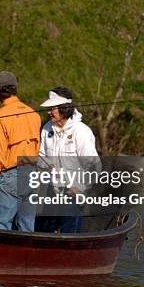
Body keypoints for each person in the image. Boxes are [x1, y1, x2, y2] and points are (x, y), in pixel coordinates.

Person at [0, 71, 41, 232]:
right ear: (15, 89)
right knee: (27, 226)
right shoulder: (34, 115)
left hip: (12, 176)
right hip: (32, 174)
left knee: (0, 225)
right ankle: (25, 257)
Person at [39, 87, 100, 233]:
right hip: (52, 191)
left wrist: (80, 188)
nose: (48, 112)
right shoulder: (47, 128)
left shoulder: (81, 131)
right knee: (45, 232)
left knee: (70, 233)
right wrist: (44, 167)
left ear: (64, 108)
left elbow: (94, 166)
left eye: (52, 108)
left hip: (75, 193)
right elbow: (41, 156)